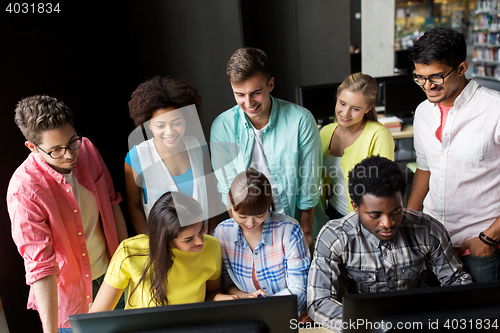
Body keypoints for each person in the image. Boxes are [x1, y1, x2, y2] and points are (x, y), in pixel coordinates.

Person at [7, 95, 128, 333]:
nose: (70, 154)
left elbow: (113, 205)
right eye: (56, 150)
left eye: (72, 142)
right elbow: (40, 267)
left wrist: (128, 265)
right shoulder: (24, 190)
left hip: (114, 275)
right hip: (71, 296)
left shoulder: (88, 150)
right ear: (32, 147)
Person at [307, 156, 472, 330]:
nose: (388, 223)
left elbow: (457, 280)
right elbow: (318, 301)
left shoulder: (428, 230)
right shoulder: (335, 236)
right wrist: (370, 327)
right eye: (375, 215)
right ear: (355, 206)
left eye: (396, 211)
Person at [407, 28, 500, 283]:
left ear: (461, 68)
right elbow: (425, 168)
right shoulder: (423, 112)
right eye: (420, 78)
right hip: (432, 243)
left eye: (436, 76)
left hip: (480, 246)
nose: (428, 86)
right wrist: (408, 222)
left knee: (482, 321)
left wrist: (490, 237)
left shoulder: (495, 110)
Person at [210, 47, 322, 246]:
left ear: (270, 84)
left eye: (256, 93)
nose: (249, 102)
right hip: (250, 225)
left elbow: (309, 186)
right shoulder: (222, 126)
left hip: (294, 223)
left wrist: (305, 232)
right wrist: (243, 233)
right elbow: (227, 189)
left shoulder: (301, 120)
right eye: (240, 95)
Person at [90, 191, 235, 312]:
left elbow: (211, 293)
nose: (200, 241)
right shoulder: (129, 251)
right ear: (165, 239)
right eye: (188, 239)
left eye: (202, 228)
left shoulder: (212, 246)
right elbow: (98, 314)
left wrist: (218, 297)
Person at [125, 76, 218, 234]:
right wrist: (150, 244)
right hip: (164, 250)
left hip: (203, 243)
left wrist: (212, 233)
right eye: (160, 125)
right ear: (148, 124)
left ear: (186, 119)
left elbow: (211, 195)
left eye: (176, 123)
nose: (170, 132)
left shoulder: (198, 148)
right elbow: (133, 205)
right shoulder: (137, 158)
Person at [214, 168, 310, 315]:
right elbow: (227, 284)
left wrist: (261, 308)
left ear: (268, 205)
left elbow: (300, 289)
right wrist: (246, 297)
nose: (250, 223)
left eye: (259, 215)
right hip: (245, 314)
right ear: (230, 204)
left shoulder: (289, 230)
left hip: (284, 314)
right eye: (241, 216)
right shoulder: (222, 233)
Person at [314, 72, 395, 239]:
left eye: (355, 109)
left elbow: (386, 187)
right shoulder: (326, 132)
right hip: (331, 214)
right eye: (342, 103)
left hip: (363, 221)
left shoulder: (378, 134)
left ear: (368, 108)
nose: (345, 113)